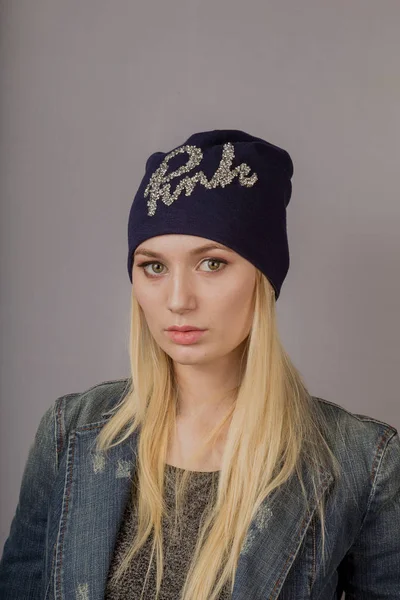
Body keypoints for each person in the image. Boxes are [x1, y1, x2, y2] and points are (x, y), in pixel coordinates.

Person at [0, 129, 399, 600]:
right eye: (154, 266)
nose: (177, 300)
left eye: (211, 263)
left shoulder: (364, 464)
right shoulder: (70, 434)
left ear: (264, 280)